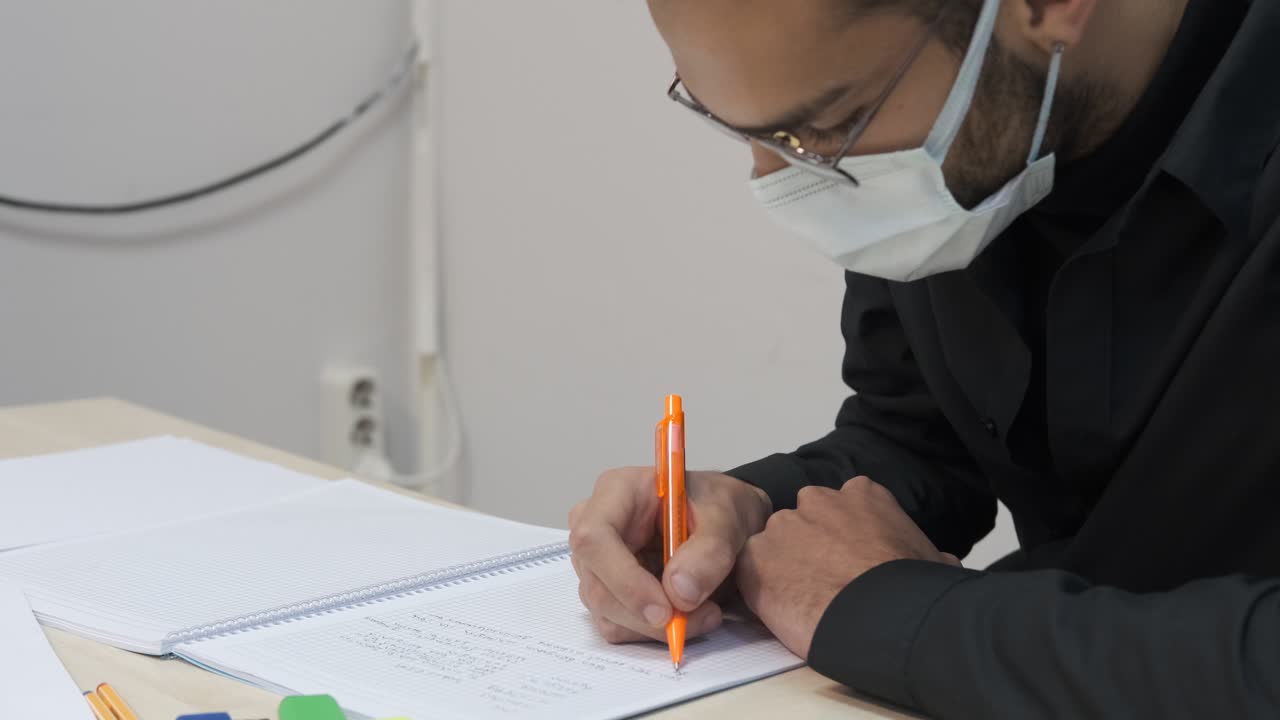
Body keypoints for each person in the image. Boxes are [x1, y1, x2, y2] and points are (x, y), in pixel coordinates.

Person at [568, 0, 1280, 716]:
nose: (784, 183)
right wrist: (751, 515)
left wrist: (895, 616)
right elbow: (924, 440)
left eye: (829, 126)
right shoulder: (978, 131)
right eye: (742, 129)